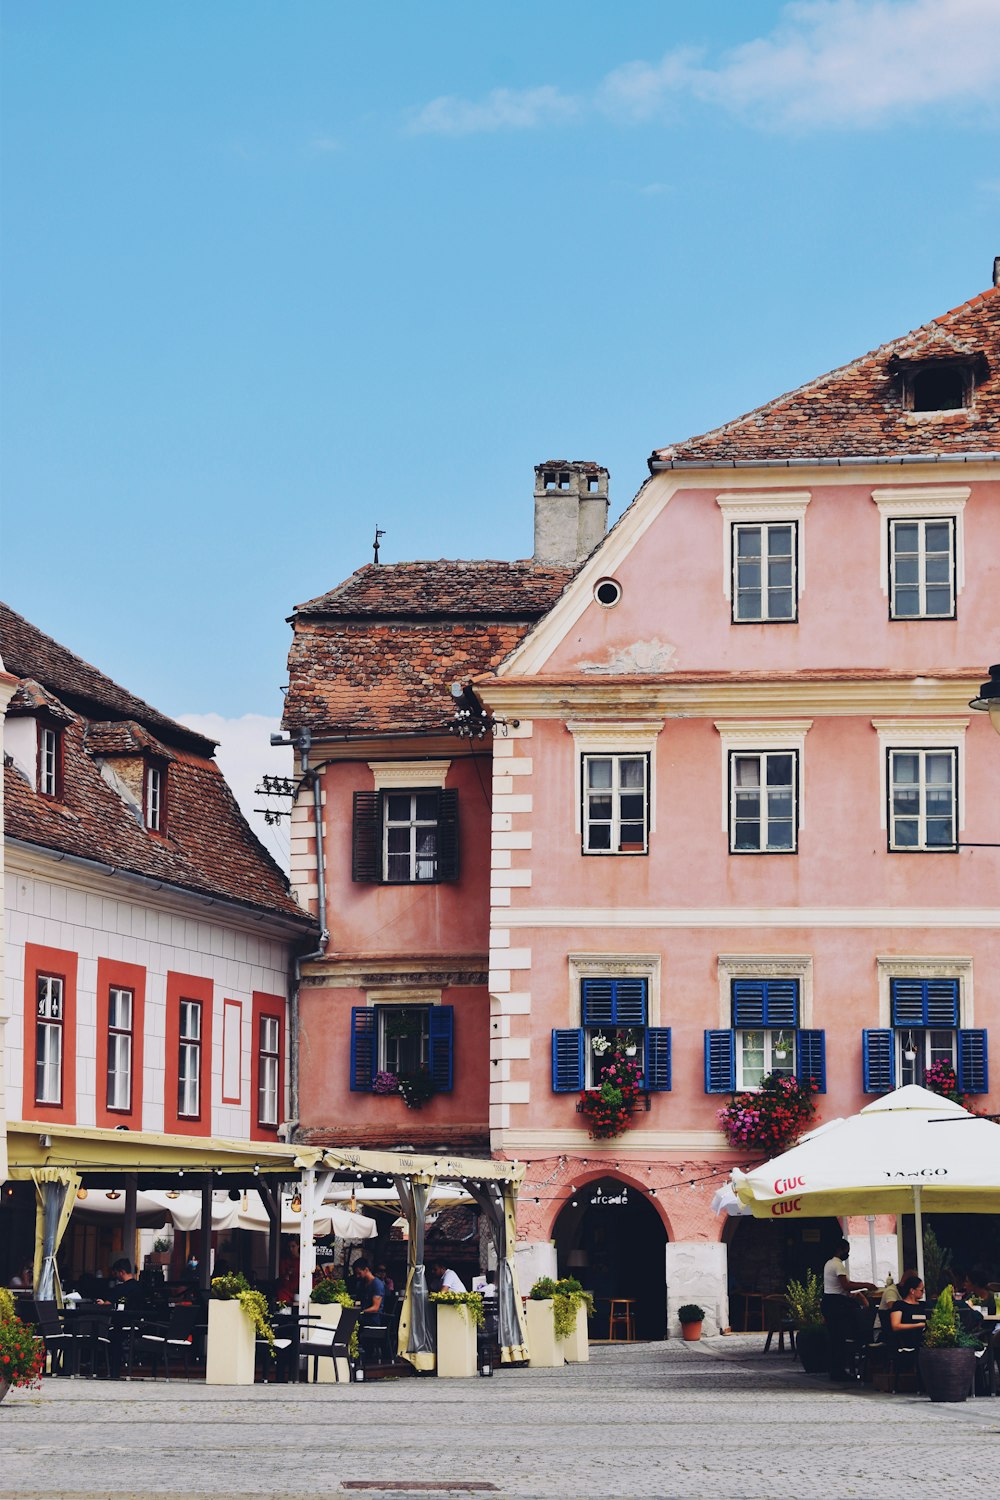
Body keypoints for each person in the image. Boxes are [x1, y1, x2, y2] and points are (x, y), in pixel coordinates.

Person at [822, 1239, 878, 1380]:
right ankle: (841, 1370)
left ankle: (836, 1370)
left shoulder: (829, 1263)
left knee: (835, 1339)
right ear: (840, 1249)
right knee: (842, 1337)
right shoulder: (838, 1265)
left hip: (829, 1302)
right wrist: (867, 1285)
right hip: (837, 1305)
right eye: (847, 1250)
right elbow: (846, 1285)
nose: (848, 1253)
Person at [888, 1275, 927, 1347]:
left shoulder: (923, 1305)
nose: (923, 1292)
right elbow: (895, 1326)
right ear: (912, 1291)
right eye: (921, 1290)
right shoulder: (899, 1305)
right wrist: (918, 1325)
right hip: (904, 1341)